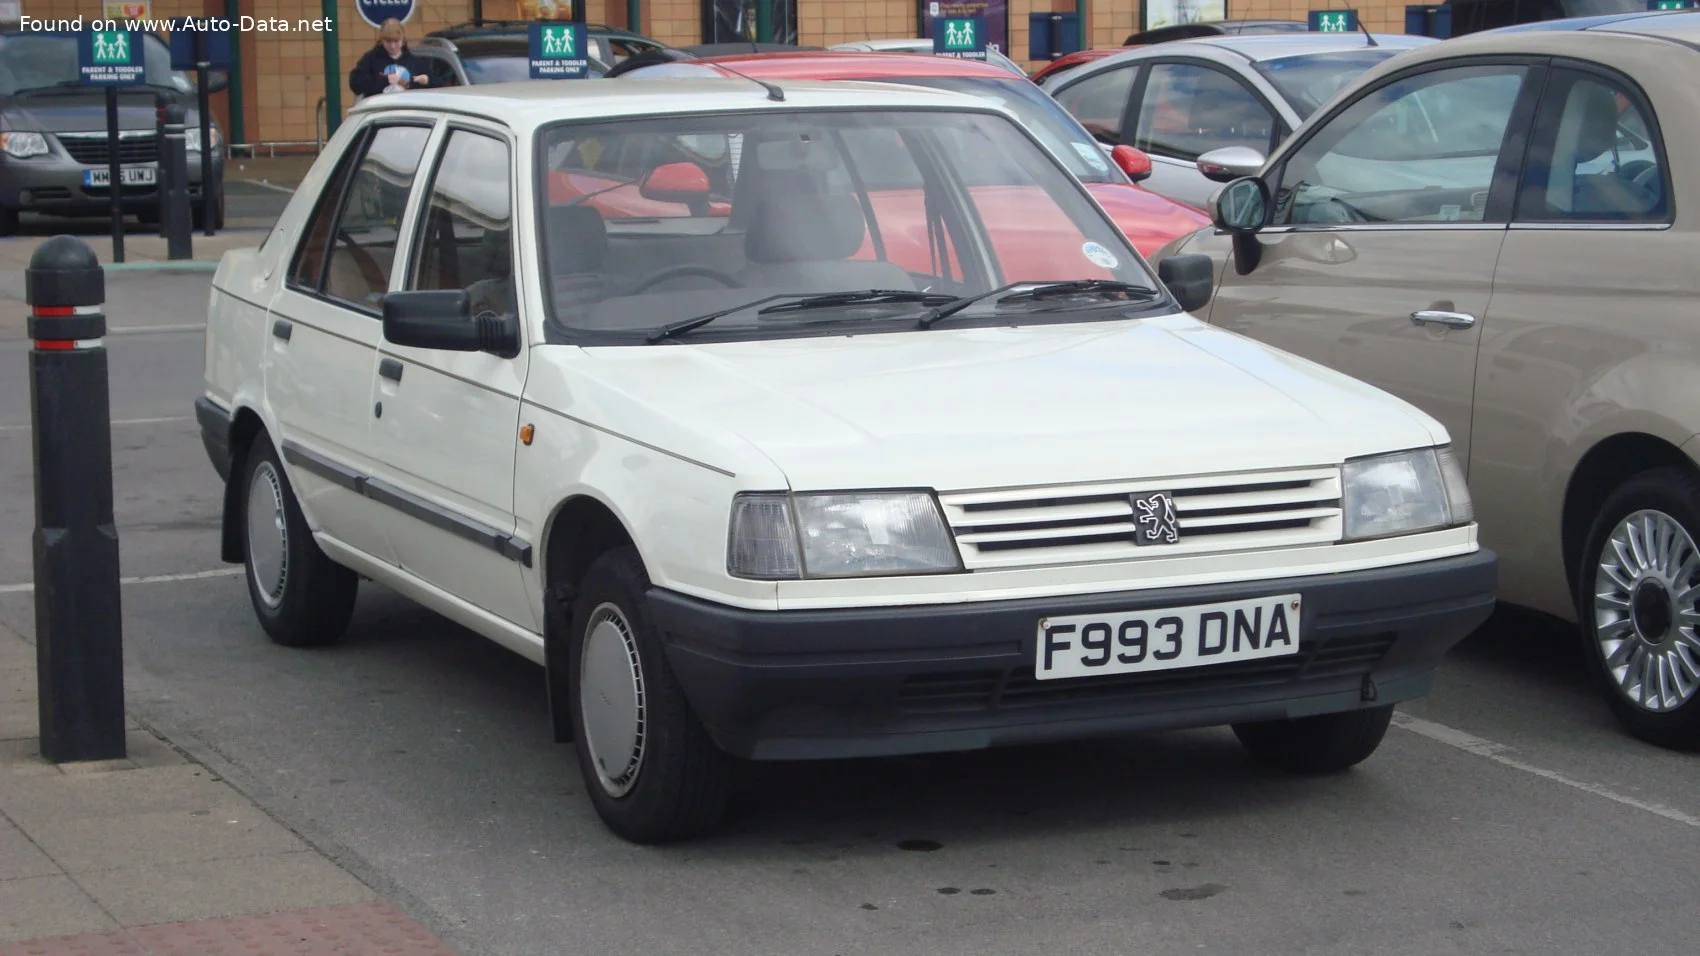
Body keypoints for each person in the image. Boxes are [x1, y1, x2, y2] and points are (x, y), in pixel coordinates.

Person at [349, 19, 431, 100]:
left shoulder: (414, 61)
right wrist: (385, 80)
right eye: (388, 41)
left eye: (396, 41)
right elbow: (355, 83)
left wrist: (426, 80)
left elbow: (436, 83)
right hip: (380, 106)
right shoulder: (370, 59)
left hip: (408, 106)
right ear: (382, 40)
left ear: (403, 40)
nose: (392, 46)